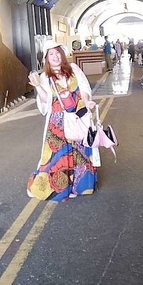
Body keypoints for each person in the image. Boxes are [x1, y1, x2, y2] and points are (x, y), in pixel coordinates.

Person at [26, 40, 98, 201]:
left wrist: (87, 102)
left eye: (57, 53)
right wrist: (37, 86)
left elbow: (84, 88)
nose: (55, 56)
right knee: (57, 156)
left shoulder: (74, 69)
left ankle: (79, 187)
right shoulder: (45, 77)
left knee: (80, 151)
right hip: (57, 123)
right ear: (47, 58)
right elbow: (46, 100)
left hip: (79, 116)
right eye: (51, 54)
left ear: (62, 54)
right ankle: (59, 188)